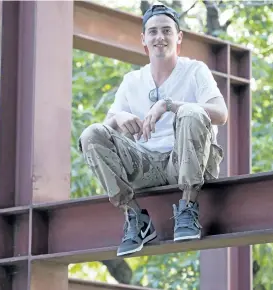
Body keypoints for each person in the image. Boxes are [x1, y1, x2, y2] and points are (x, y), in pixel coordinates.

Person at [78, 4, 227, 257]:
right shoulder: (132, 81)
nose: (160, 37)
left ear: (178, 37)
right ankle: (135, 218)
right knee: (90, 134)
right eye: (154, 31)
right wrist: (119, 117)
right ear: (144, 40)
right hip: (146, 165)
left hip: (189, 162)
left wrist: (168, 105)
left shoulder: (195, 70)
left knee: (191, 112)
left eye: (167, 31)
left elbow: (221, 113)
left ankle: (188, 206)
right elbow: (104, 129)